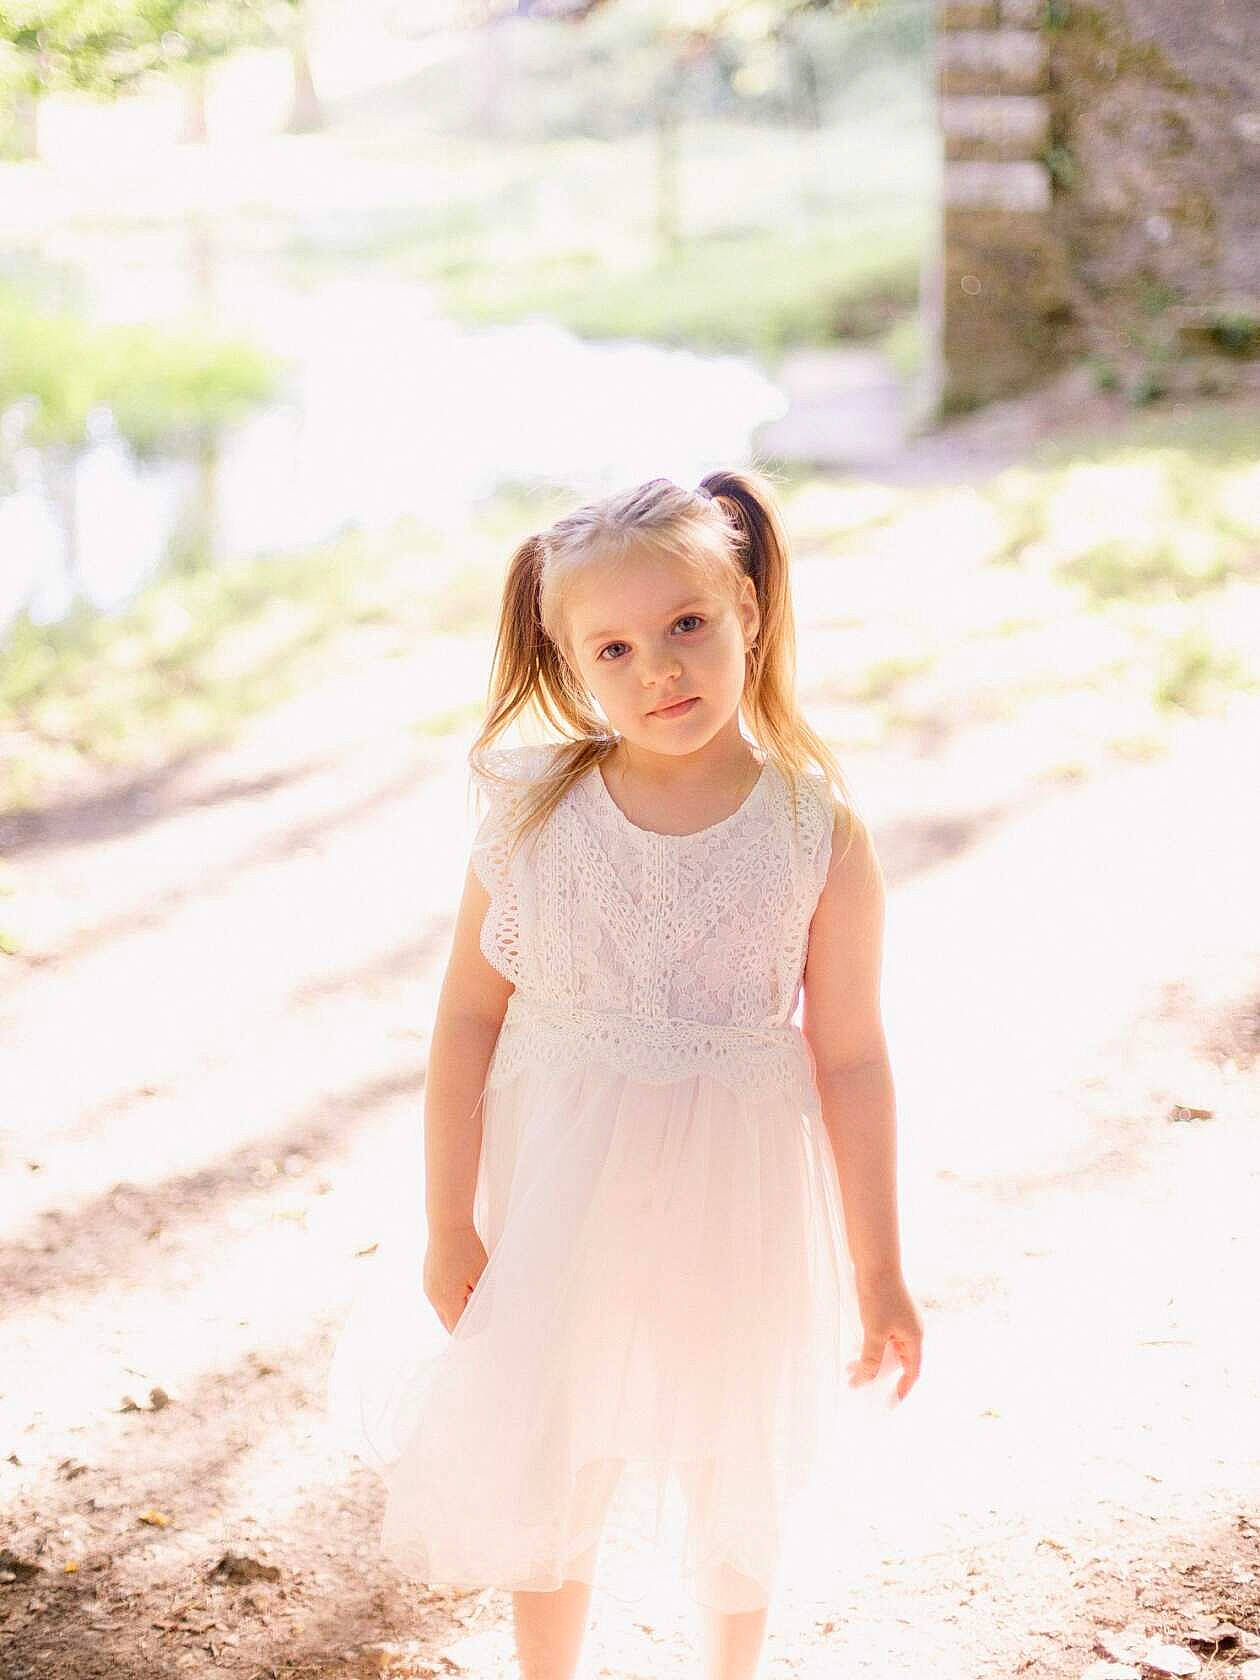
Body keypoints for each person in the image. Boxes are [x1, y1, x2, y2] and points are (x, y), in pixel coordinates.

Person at [326, 469, 923, 1680]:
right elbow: (464, 1024)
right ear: (571, 664)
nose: (662, 669)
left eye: (688, 625)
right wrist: (449, 1224)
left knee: (728, 1442)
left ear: (748, 609)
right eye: (617, 647)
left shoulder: (815, 831)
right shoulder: (534, 813)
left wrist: (880, 1270)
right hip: (562, 1183)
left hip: (734, 1195)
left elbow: (851, 1057)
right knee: (559, 1437)